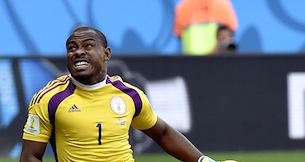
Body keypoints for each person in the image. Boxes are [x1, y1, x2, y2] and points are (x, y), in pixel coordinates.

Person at [19, 26, 237, 162]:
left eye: (87, 46)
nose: (78, 52)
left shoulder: (129, 95)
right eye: (72, 48)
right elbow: (30, 157)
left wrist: (203, 161)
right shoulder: (49, 98)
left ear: (106, 54)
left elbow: (162, 133)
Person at [173, 0, 238, 55]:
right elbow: (231, 29)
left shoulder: (183, 5)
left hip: (191, 61)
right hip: (215, 59)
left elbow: (179, 34)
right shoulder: (222, 2)